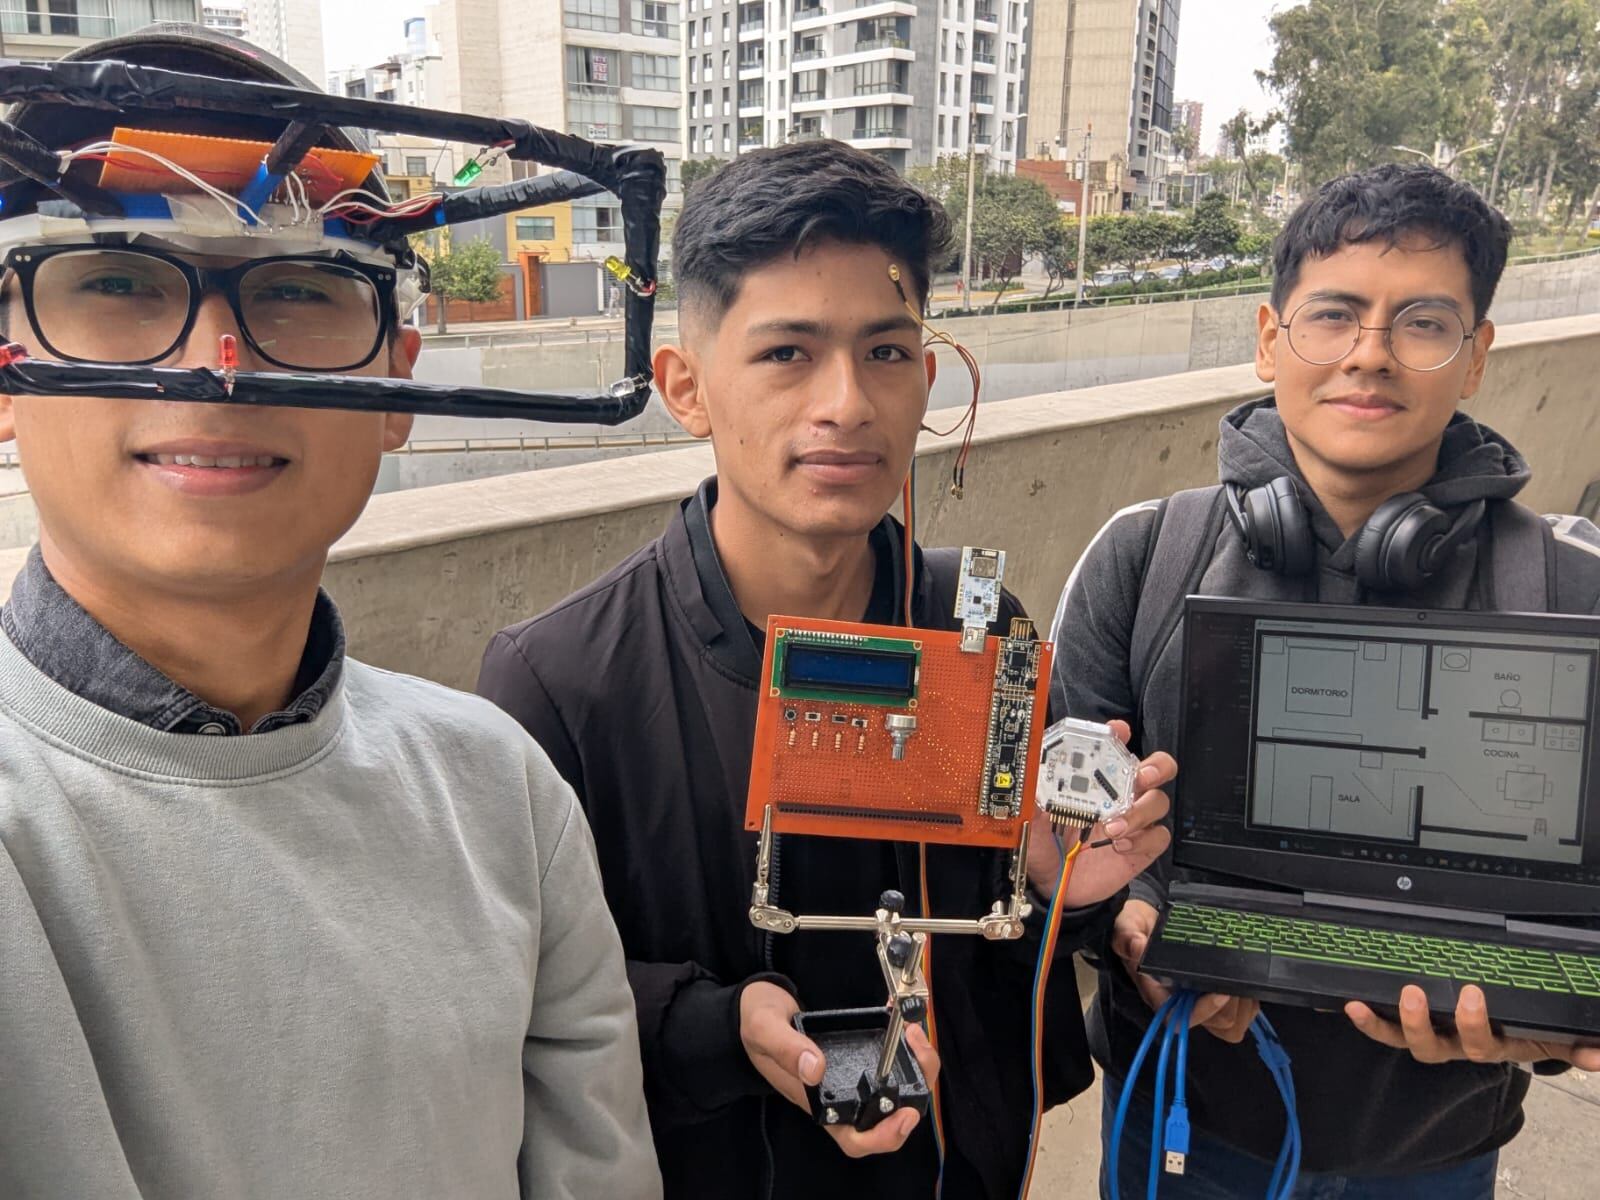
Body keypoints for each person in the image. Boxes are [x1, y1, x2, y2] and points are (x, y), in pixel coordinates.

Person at [0, 25, 658, 1199]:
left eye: (298, 289)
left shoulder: (499, 792)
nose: (217, 362)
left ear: (395, 380)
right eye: (117, 279)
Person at [476, 140, 1177, 1198]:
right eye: (786, 354)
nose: (846, 401)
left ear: (925, 377)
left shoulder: (978, 626)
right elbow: (515, 998)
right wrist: (719, 1022)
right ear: (686, 386)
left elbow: (1023, 927)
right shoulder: (559, 682)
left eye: (886, 353)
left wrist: (1060, 888)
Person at [1051, 162, 1600, 1199]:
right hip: (1178, 1117)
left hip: (1436, 1148)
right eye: (1333, 315)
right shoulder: (1141, 556)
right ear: (1269, 337)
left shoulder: (1573, 586)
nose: (1369, 355)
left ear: (1476, 355)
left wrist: (1534, 1028)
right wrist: (1122, 923)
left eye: (1422, 323)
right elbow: (1050, 836)